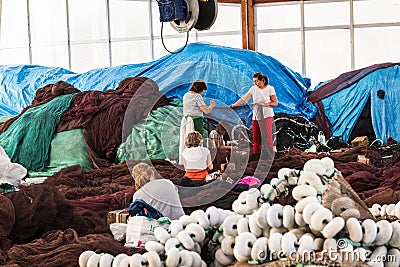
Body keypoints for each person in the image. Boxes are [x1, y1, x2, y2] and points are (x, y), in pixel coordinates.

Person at [230, 72, 278, 154]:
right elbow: (244, 98)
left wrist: (265, 104)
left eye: (256, 81)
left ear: (262, 80)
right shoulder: (253, 89)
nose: (255, 83)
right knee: (256, 135)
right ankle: (256, 153)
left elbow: (275, 103)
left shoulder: (270, 88)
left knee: (267, 135)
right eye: (254, 81)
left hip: (267, 114)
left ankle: (270, 153)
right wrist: (235, 105)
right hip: (256, 115)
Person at [179, 80, 215, 164]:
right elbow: (206, 111)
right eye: (202, 91)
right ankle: (197, 160)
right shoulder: (197, 96)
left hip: (185, 120)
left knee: (187, 140)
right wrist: (211, 106)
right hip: (196, 121)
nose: (202, 93)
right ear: (200, 89)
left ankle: (187, 161)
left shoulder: (186, 95)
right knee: (197, 140)